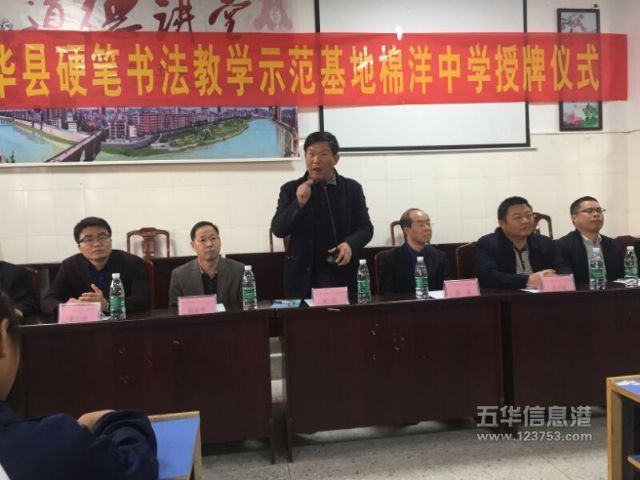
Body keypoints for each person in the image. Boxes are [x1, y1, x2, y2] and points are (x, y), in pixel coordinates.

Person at [0, 290, 158, 479]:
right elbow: (136, 464)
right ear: (2, 338)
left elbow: (142, 298)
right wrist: (115, 420)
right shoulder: (51, 446)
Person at [271, 131, 374, 298]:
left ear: (336, 158)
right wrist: (298, 203)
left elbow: (366, 228)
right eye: (311, 154)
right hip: (303, 278)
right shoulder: (290, 189)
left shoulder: (351, 188)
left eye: (323, 154)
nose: (316, 160)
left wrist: (349, 244)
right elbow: (278, 229)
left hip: (342, 272)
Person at [42, 217, 149, 319]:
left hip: (122, 323)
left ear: (110, 241)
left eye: (102, 237)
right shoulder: (69, 266)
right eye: (88, 239)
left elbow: (142, 300)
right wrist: (66, 307)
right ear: (79, 247)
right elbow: (48, 301)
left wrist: (108, 305)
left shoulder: (132, 263)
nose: (97, 244)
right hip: (83, 325)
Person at [476, 196, 570, 289]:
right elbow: (487, 276)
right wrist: (527, 281)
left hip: (543, 296)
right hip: (507, 296)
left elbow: (563, 268)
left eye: (529, 215)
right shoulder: (488, 243)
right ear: (502, 223)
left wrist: (555, 277)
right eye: (518, 217)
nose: (525, 221)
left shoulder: (545, 242)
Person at [168, 221, 244, 309]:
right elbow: (174, 310)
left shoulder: (239, 270)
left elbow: (247, 307)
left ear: (220, 241)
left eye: (213, 238)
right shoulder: (180, 275)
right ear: (193, 245)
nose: (209, 244)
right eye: (202, 240)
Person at [379, 208, 452, 293]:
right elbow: (386, 293)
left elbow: (448, 289)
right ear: (407, 230)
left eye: (428, 223)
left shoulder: (440, 256)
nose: (427, 228)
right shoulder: (391, 259)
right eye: (421, 225)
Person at [555, 196, 624, 284]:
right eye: (589, 211)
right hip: (581, 292)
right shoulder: (562, 245)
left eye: (599, 210)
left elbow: (622, 276)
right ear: (574, 218)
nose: (596, 214)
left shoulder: (613, 244)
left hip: (613, 291)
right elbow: (565, 280)